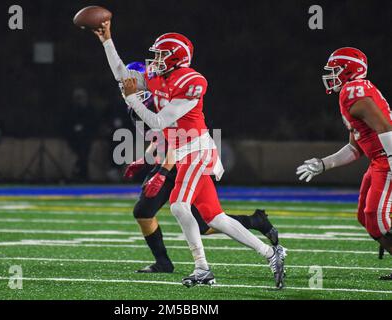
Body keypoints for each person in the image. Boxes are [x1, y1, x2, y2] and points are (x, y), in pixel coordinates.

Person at [94, 21, 286, 289]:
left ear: (175, 58)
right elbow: (121, 75)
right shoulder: (158, 76)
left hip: (196, 149)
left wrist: (132, 99)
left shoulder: (191, 81)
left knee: (178, 205)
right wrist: (107, 41)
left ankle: (202, 268)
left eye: (161, 55)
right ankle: (271, 253)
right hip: (184, 151)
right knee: (214, 218)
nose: (155, 60)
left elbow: (159, 122)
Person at [122, 62, 279, 274]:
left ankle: (253, 223)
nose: (129, 87)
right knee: (143, 211)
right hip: (170, 161)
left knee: (205, 222)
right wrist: (144, 158)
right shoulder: (137, 108)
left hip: (186, 161)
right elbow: (160, 139)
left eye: (132, 82)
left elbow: (179, 140)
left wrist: (161, 172)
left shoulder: (163, 98)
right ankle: (164, 262)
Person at [296, 47, 392, 280]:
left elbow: (386, 129)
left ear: (349, 71)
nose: (329, 75)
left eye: (335, 70)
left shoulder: (353, 91)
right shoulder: (350, 91)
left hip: (386, 160)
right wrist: (324, 164)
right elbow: (354, 148)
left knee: (376, 218)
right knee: (365, 216)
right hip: (377, 161)